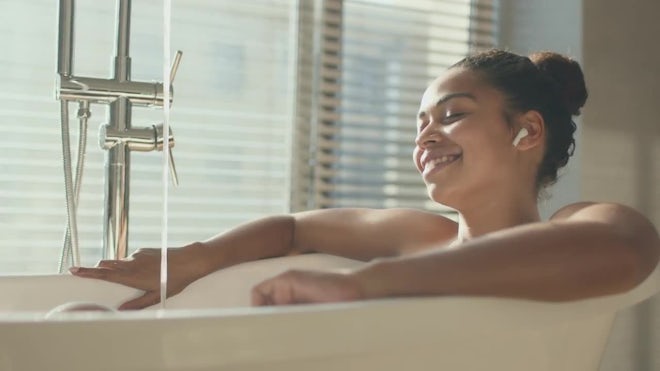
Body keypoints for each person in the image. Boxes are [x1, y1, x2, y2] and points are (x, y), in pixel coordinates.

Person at [70, 49, 660, 310]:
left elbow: (622, 249)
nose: (424, 137)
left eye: (452, 115)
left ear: (526, 132)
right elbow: (293, 230)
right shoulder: (423, 236)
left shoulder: (578, 223)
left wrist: (372, 283)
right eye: (420, 124)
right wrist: (194, 259)